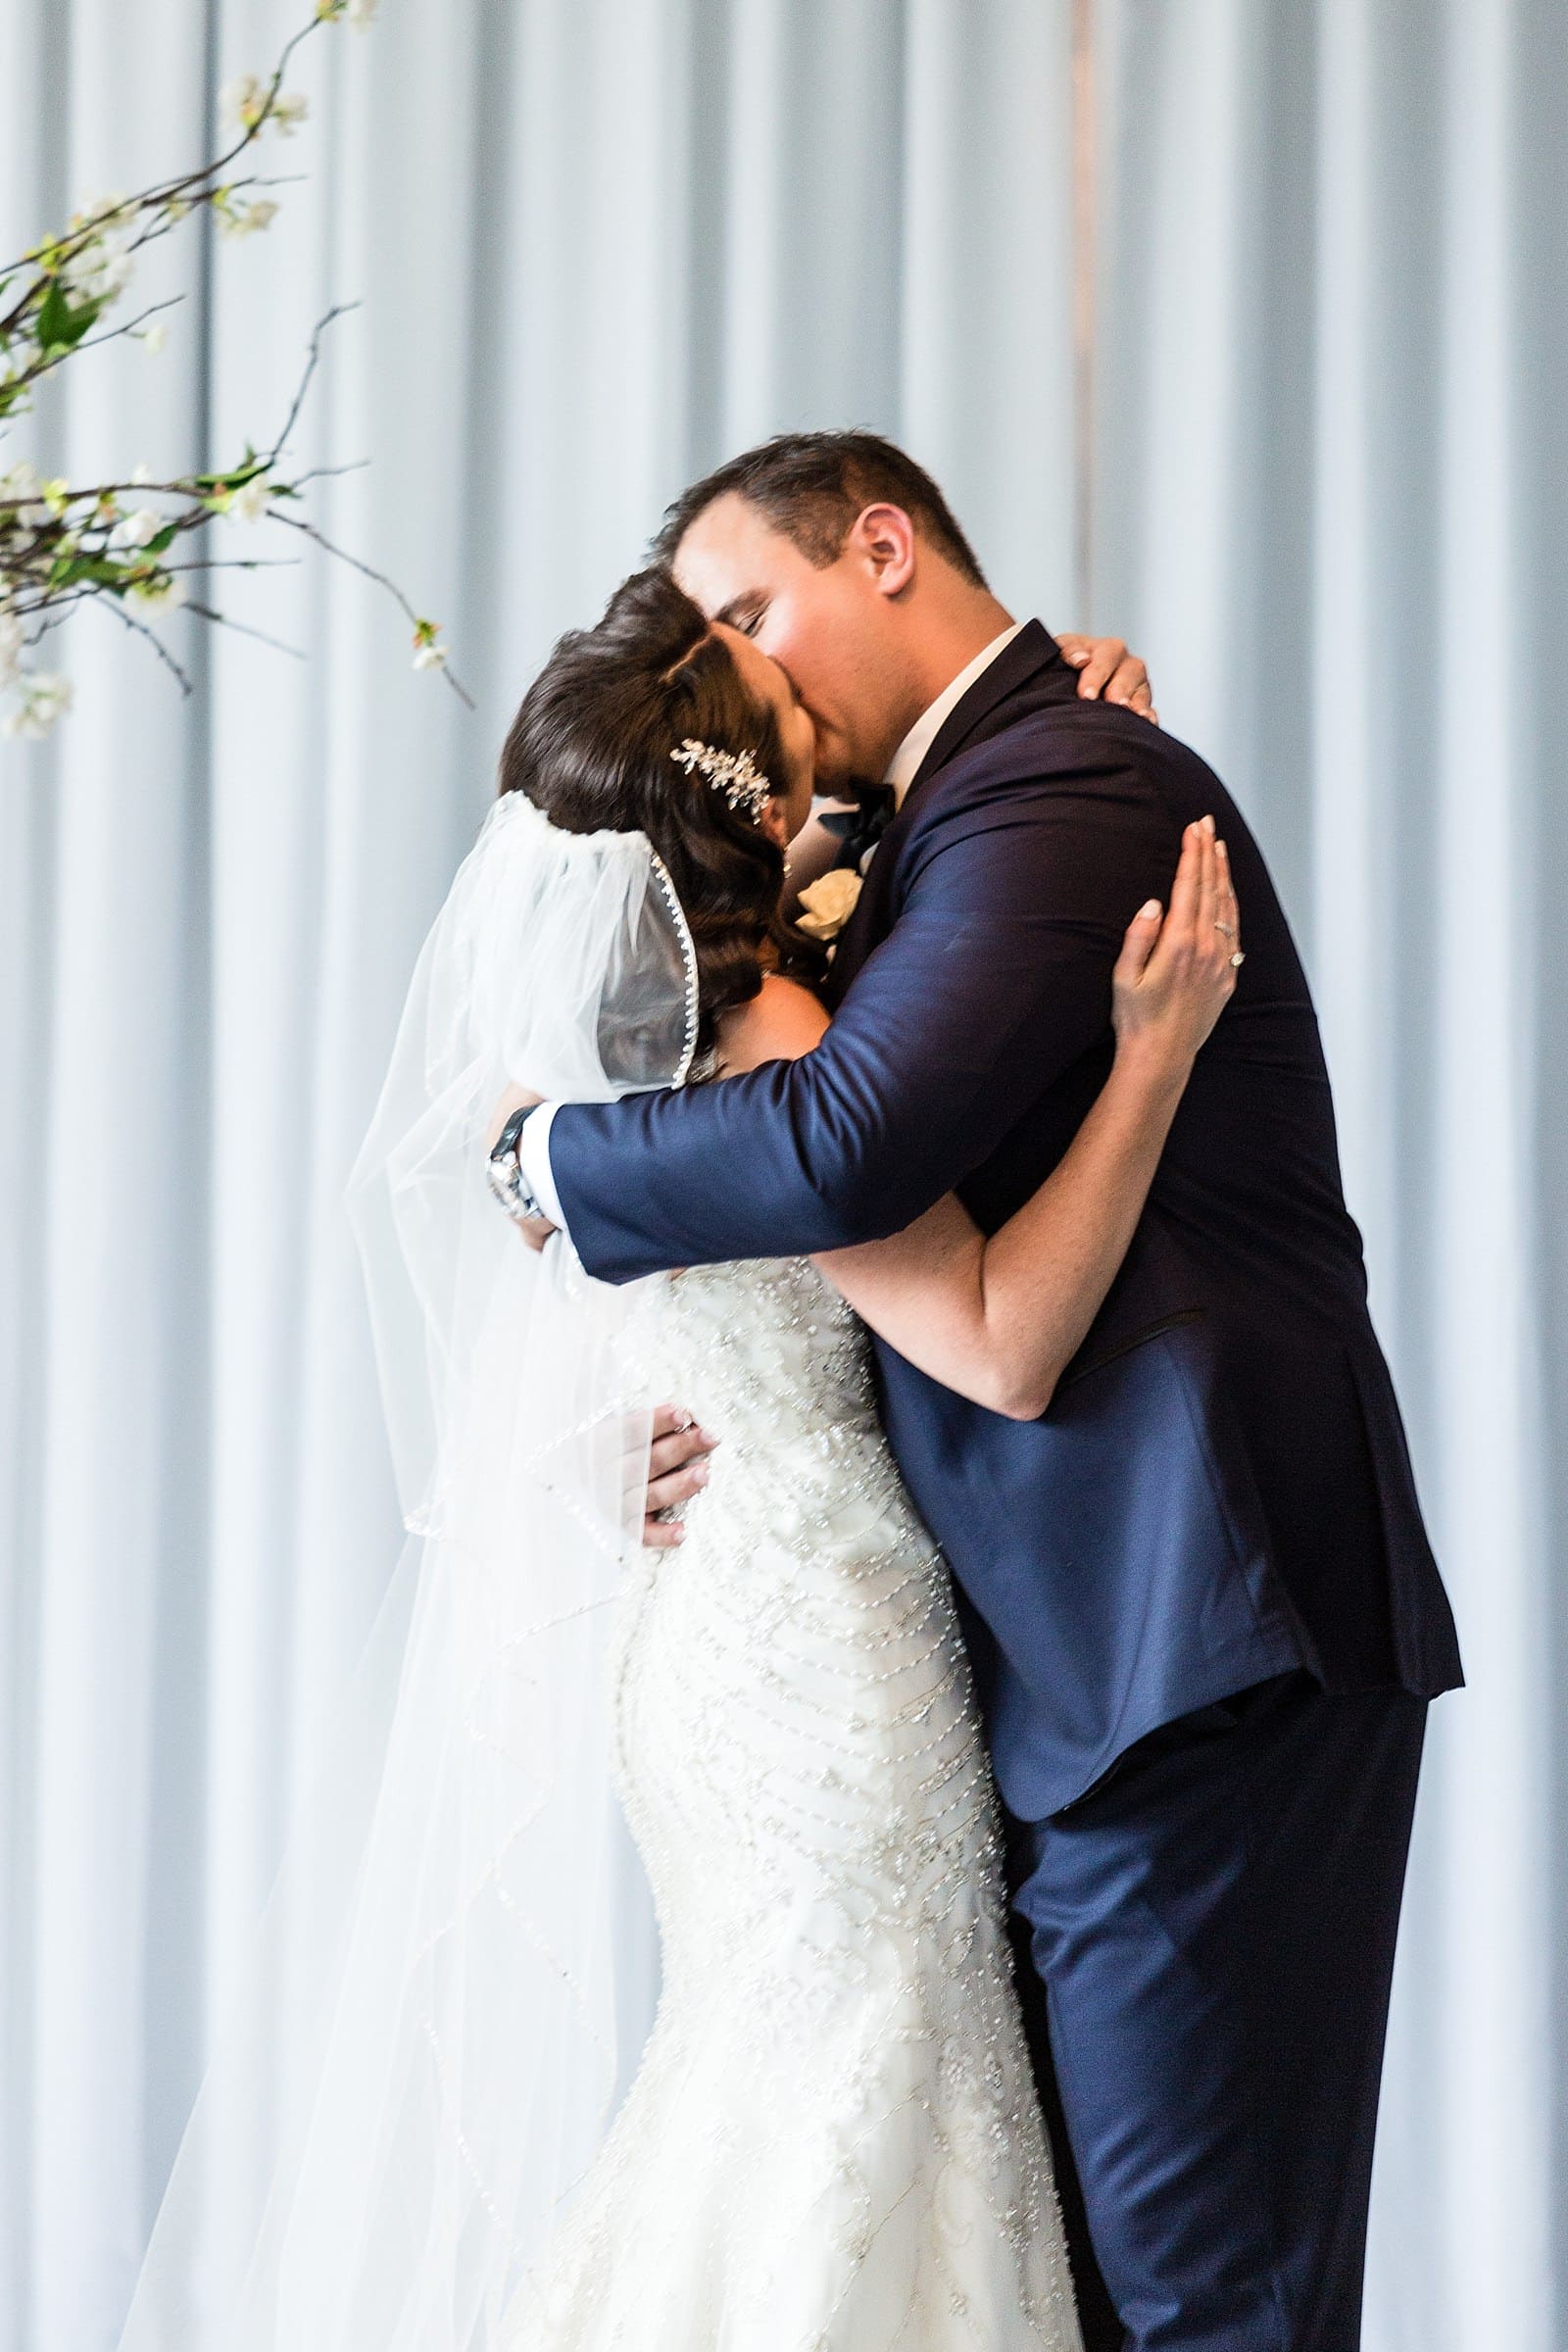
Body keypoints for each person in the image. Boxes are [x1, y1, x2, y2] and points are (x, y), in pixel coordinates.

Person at [499, 431, 1465, 2352]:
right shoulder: (883, 857)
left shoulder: (1063, 783)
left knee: (1200, 2300)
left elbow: (847, 1142)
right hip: (988, 1663)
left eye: (749, 612)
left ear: (880, 547)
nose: (743, 672)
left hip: (1179, 1627)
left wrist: (543, 1167)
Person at [482, 566, 1237, 2347]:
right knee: (853, 2099)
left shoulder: (615, 1035)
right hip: (824, 1661)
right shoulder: (782, 1032)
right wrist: (1152, 1060)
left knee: (761, 2109)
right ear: (750, 784)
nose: (814, 672)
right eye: (774, 670)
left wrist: (1041, 710)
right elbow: (1001, 1339)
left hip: (713, 1657)